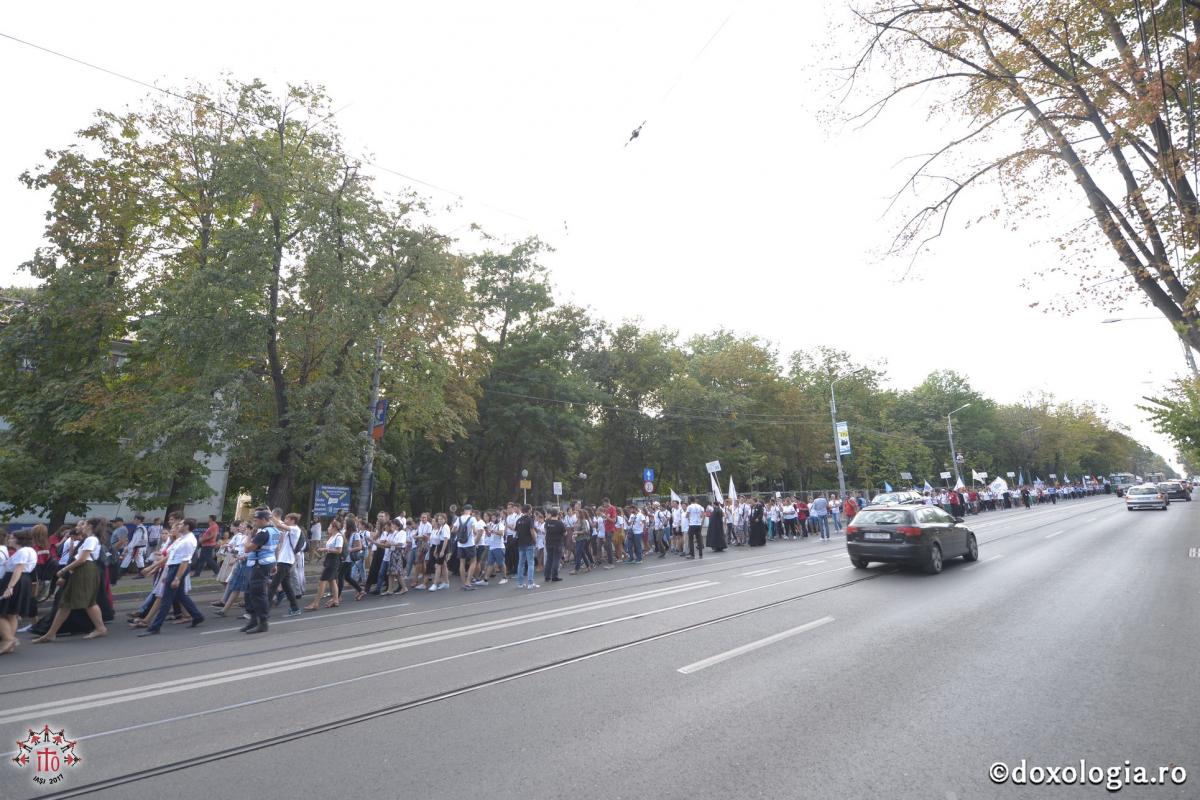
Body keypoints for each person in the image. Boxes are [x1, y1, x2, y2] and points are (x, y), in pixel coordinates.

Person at [34, 519, 111, 643]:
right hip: (82, 571)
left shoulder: (91, 539)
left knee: (86, 601)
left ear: (90, 526)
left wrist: (64, 570)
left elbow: (82, 559)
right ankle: (51, 633)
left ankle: (100, 628)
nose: (82, 526)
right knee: (68, 602)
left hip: (85, 570)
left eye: (85, 524)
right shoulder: (89, 539)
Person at [136, 518, 204, 636]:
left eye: (181, 524)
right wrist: (162, 571)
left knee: (166, 599)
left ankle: (155, 627)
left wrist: (176, 578)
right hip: (172, 568)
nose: (178, 526)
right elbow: (170, 556)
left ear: (187, 526)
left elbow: (184, 561)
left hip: (178, 568)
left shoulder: (188, 541)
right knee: (180, 595)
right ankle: (197, 616)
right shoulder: (182, 538)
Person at [239, 509, 279, 634]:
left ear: (263, 520)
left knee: (257, 594)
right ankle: (253, 620)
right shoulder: (275, 530)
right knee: (249, 592)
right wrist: (275, 563)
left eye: (256, 520)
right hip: (264, 563)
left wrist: (249, 536)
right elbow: (276, 548)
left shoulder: (263, 533)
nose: (254, 522)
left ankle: (263, 622)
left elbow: (247, 548)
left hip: (259, 565)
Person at [1, 529, 39, 655]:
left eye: (12, 537)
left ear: (18, 539)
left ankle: (9, 639)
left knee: (3, 612)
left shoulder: (23, 551)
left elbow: (19, 569)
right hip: (23, 580)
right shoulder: (29, 550)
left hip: (16, 581)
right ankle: (9, 642)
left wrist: (10, 587)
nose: (9, 539)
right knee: (11, 613)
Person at [269, 512, 303, 617]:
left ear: (292, 520)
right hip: (284, 561)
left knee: (273, 585)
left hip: (286, 561)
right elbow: (279, 526)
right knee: (286, 586)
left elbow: (279, 525)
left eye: (287, 519)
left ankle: (262, 610)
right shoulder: (290, 530)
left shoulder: (295, 529)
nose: (285, 520)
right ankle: (295, 608)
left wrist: (270, 514)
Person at [307, 518, 343, 610]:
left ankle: (316, 603)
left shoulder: (339, 537)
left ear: (334, 527)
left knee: (322, 581)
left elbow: (339, 550)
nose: (328, 528)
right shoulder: (332, 536)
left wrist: (326, 549)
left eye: (330, 526)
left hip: (333, 561)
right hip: (330, 560)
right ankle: (335, 600)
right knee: (333, 581)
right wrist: (325, 549)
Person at [515, 505, 538, 589]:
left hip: (521, 544)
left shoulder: (518, 520)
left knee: (521, 563)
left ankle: (520, 583)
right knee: (530, 563)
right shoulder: (529, 519)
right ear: (528, 510)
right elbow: (532, 531)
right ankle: (530, 583)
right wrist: (535, 541)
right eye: (531, 510)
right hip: (529, 543)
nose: (531, 511)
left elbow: (516, 532)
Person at [543, 507, 567, 582]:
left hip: (549, 542)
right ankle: (554, 576)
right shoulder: (560, 523)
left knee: (549, 559)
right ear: (557, 514)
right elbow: (565, 533)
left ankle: (547, 576)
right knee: (556, 559)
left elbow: (545, 530)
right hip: (557, 543)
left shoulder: (547, 522)